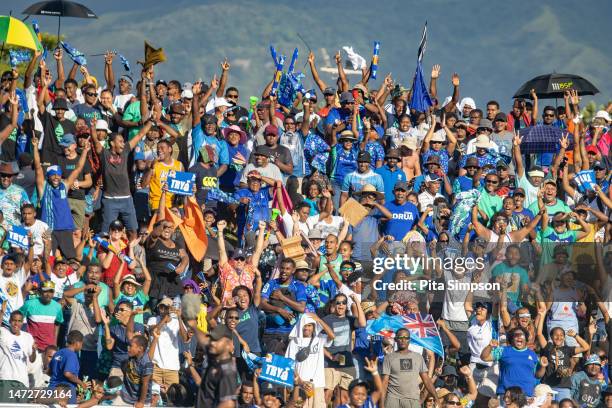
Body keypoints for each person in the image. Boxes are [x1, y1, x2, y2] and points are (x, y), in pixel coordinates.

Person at [381, 328, 439, 408]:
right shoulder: (389, 358)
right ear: (395, 339)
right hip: (393, 399)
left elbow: (426, 380)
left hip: (413, 400)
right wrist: (381, 403)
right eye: (400, 338)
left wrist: (436, 398)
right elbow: (384, 383)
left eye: (406, 338)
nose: (403, 340)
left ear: (410, 340)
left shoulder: (418, 357)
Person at [195, 324, 238, 408]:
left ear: (228, 344)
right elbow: (204, 341)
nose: (212, 343)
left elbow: (228, 404)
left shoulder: (227, 371)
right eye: (211, 339)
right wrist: (193, 324)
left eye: (216, 340)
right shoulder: (215, 356)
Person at [0, 310, 36, 403]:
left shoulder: (28, 337)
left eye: (19, 321)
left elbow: (32, 359)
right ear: (9, 321)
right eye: (14, 320)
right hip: (6, 379)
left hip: (23, 381)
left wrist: (34, 350)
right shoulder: (4, 332)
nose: (16, 323)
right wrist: (1, 313)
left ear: (22, 322)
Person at [48, 330, 88, 404]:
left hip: (51, 389)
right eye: (82, 344)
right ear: (77, 343)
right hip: (65, 392)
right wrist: (81, 383)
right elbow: (67, 374)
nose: (81, 346)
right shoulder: (71, 355)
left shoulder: (58, 353)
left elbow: (49, 371)